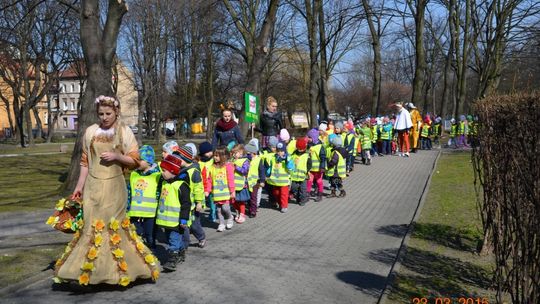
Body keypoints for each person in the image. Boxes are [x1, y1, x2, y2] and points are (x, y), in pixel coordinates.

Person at [55, 95, 159, 286]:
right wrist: (79, 188)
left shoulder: (124, 131)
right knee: (91, 225)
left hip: (114, 187)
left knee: (111, 226)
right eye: (101, 113)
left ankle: (117, 272)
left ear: (116, 112)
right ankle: (89, 271)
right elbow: (85, 163)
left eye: (108, 113)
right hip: (93, 187)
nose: (104, 117)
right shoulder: (90, 132)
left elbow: (135, 160)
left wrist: (117, 156)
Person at [157, 154, 192, 272]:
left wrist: (183, 219)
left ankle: (172, 260)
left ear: (172, 171)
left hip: (176, 221)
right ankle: (181, 251)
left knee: (173, 241)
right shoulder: (165, 183)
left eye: (164, 170)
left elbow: (186, 204)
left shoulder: (181, 185)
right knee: (170, 239)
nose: (162, 173)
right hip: (166, 220)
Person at [127, 145, 161, 249]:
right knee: (135, 235)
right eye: (136, 160)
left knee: (149, 236)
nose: (137, 162)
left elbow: (160, 193)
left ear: (148, 161)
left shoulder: (157, 175)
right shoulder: (134, 174)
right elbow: (129, 191)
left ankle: (152, 253)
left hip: (150, 213)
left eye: (140, 160)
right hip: (134, 212)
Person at [176, 145, 207, 249]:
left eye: (178, 158)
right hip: (184, 204)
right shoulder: (180, 170)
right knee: (184, 225)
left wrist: (199, 202)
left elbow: (199, 188)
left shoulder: (194, 171)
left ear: (184, 158)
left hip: (193, 206)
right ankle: (184, 244)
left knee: (194, 225)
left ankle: (201, 237)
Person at [204, 147, 236, 232]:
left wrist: (232, 191)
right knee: (219, 211)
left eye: (217, 156)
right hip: (216, 194)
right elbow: (209, 180)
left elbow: (231, 179)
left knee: (225, 208)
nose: (215, 157)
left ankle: (230, 217)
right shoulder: (212, 167)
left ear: (224, 156)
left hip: (226, 193)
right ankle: (221, 224)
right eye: (214, 155)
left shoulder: (228, 166)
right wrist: (207, 190)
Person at [266, 142, 294, 213]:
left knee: (284, 194)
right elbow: (270, 167)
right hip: (275, 180)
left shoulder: (288, 158)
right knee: (276, 193)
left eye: (281, 151)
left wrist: (288, 162)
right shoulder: (273, 158)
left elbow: (291, 168)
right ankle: (279, 203)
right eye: (278, 151)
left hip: (284, 181)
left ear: (285, 151)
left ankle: (284, 206)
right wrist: (268, 173)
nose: (279, 153)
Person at [230, 144, 250, 224]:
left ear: (241, 152)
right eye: (233, 153)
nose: (234, 154)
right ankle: (237, 212)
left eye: (236, 153)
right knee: (234, 201)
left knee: (241, 201)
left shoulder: (245, 161)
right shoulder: (232, 160)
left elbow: (245, 171)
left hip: (241, 185)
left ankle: (242, 214)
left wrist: (236, 167)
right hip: (233, 185)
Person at [245, 138, 265, 218]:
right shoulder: (246, 159)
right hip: (246, 182)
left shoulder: (258, 160)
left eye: (249, 153)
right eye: (247, 153)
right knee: (248, 197)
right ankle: (250, 208)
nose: (248, 155)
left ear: (254, 153)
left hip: (255, 182)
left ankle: (253, 211)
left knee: (253, 197)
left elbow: (261, 170)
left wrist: (262, 180)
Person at [289, 137, 311, 206]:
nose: (300, 150)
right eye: (299, 148)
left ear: (304, 148)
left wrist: (307, 171)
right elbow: (290, 163)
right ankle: (297, 196)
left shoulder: (307, 155)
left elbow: (309, 164)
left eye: (301, 149)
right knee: (293, 188)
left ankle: (302, 200)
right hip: (294, 176)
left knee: (303, 189)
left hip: (303, 176)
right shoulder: (293, 154)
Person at [197, 142, 216, 222]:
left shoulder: (213, 160)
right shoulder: (199, 162)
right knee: (202, 201)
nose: (210, 153)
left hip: (212, 184)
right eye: (207, 152)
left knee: (212, 201)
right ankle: (199, 216)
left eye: (210, 151)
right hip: (202, 184)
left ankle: (213, 215)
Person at [306, 128, 326, 202]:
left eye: (309, 137)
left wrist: (322, 167)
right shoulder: (309, 145)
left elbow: (323, 158)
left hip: (318, 169)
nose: (308, 139)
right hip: (311, 169)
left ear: (314, 137)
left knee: (319, 181)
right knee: (309, 181)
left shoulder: (320, 147)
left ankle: (320, 194)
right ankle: (307, 194)